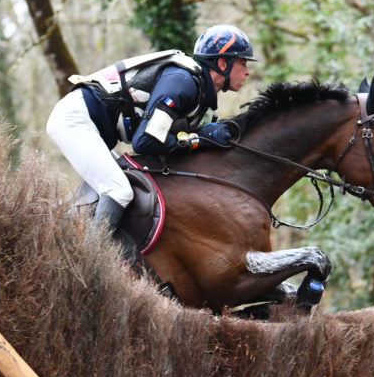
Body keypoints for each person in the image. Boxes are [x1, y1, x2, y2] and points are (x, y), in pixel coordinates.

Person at [46, 24, 255, 243]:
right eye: (242, 62)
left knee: (122, 184)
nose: (247, 71)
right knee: (119, 191)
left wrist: (201, 136)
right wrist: (200, 139)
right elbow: (145, 142)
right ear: (223, 62)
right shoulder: (184, 83)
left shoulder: (199, 90)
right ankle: (90, 261)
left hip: (89, 123)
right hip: (75, 119)